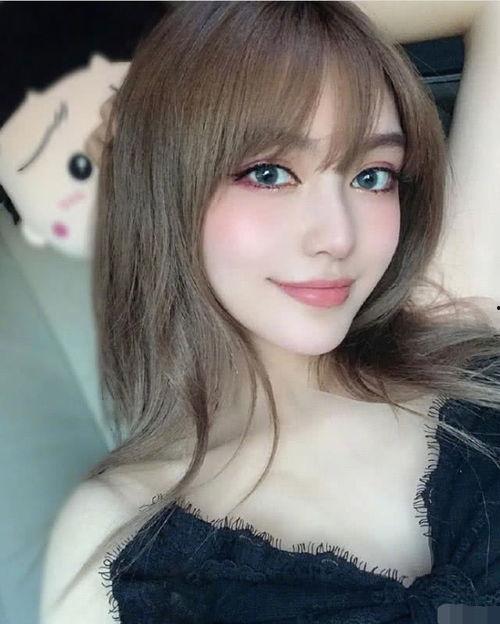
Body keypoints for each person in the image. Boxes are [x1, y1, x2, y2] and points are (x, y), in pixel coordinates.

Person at [41, 2, 500, 623]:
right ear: (166, 185)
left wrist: (267, 23)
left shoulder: (450, 325)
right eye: (268, 172)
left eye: (373, 176)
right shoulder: (118, 537)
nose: (337, 237)